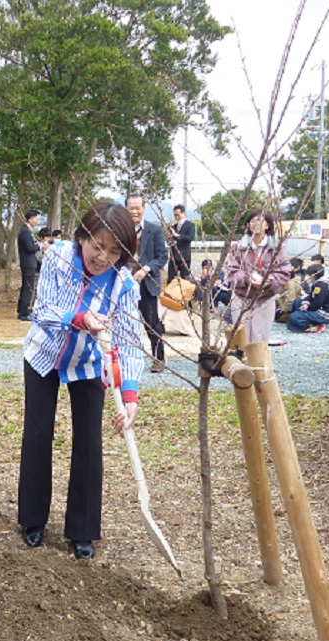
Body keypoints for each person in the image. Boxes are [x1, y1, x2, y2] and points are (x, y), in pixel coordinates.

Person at [17, 202, 144, 560]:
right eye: (98, 246)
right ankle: (32, 520)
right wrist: (79, 318)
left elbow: (129, 340)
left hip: (89, 363)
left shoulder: (122, 285)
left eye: (115, 251)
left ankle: (83, 530)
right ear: (82, 237)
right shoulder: (58, 258)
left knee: (89, 441)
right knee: (39, 433)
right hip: (44, 354)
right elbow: (41, 310)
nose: (103, 257)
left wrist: (129, 393)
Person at [224, 209, 291, 343]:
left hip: (265, 299)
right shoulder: (238, 247)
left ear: (267, 225)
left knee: (260, 339)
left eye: (260, 220)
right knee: (240, 338)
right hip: (241, 297)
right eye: (252, 221)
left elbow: (285, 271)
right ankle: (241, 363)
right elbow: (231, 270)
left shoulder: (276, 248)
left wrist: (269, 281)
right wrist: (246, 278)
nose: (256, 223)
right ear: (248, 225)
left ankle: (258, 363)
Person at [125, 194, 168, 372]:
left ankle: (159, 359)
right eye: (131, 208)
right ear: (125, 209)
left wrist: (146, 269)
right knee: (124, 322)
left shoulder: (154, 230)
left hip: (147, 284)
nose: (134, 211)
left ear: (144, 208)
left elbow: (162, 256)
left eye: (138, 208)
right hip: (124, 283)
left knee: (152, 323)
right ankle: (125, 358)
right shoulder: (119, 229)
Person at [285, 263, 329, 332]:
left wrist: (307, 307)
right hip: (319, 308)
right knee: (297, 302)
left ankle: (314, 326)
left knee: (295, 316)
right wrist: (305, 303)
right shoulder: (318, 283)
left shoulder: (322, 286)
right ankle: (299, 322)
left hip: (324, 313)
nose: (307, 277)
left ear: (313, 275)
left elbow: (317, 303)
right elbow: (310, 295)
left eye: (308, 275)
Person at [16, 208, 41, 321]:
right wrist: (40, 246)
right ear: (30, 219)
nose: (37, 221)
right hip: (28, 263)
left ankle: (22, 310)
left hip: (29, 263)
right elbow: (30, 247)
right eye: (36, 219)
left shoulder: (27, 230)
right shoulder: (25, 232)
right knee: (28, 288)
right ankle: (24, 312)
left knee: (26, 286)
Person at [167, 204, 195, 280]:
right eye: (175, 215)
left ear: (184, 213)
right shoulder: (173, 226)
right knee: (170, 279)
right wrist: (170, 238)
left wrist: (177, 235)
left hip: (184, 257)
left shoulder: (190, 225)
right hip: (173, 257)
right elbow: (170, 241)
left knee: (184, 280)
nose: (176, 217)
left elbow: (190, 237)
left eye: (178, 215)